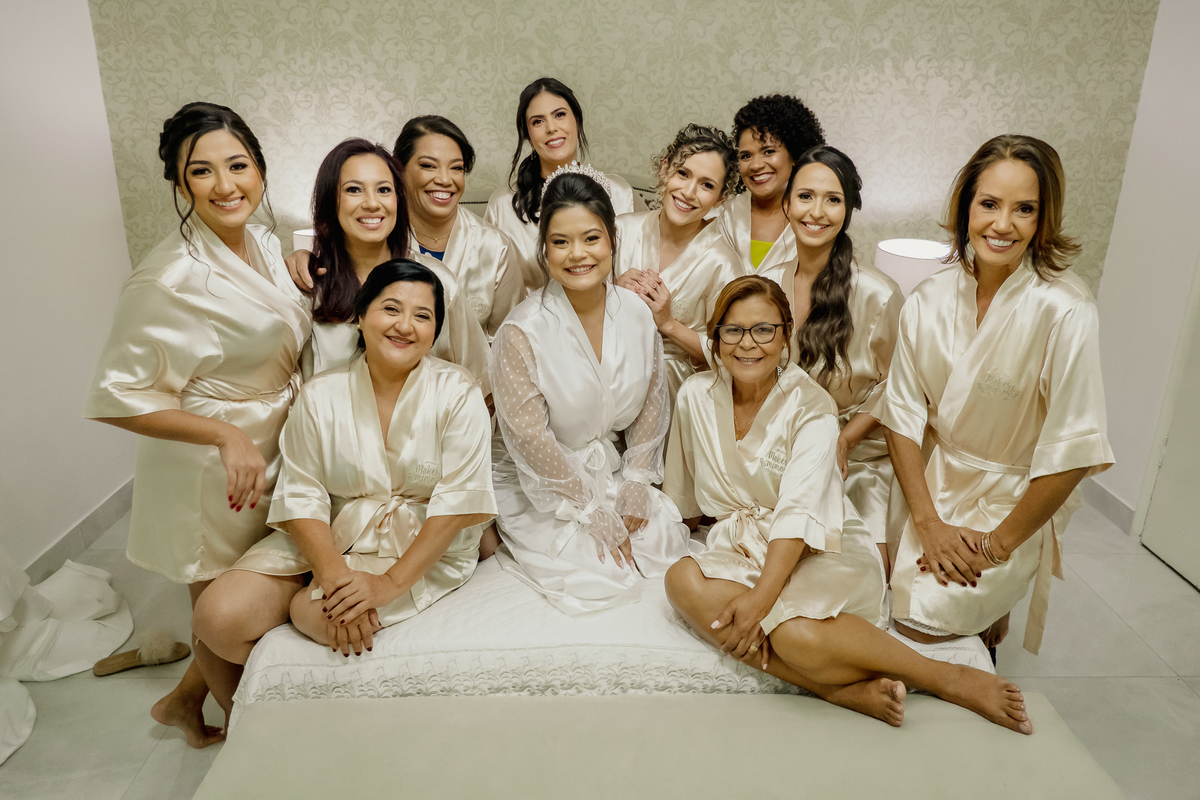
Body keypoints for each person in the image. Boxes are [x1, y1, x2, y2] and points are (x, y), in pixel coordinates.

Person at [664, 276, 1033, 733]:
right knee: (680, 580)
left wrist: (760, 600)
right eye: (733, 330)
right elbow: (683, 499)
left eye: (763, 330)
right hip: (740, 546)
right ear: (716, 336)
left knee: (796, 631)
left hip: (817, 545)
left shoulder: (811, 406)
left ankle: (946, 676)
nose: (747, 344)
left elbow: (800, 512)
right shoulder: (694, 396)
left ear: (785, 335)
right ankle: (834, 690)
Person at [84, 102, 311, 747]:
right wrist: (225, 436)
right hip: (208, 465)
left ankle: (183, 701)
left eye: (238, 165)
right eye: (202, 171)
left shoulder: (262, 243)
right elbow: (114, 397)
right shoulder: (168, 277)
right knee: (216, 609)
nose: (225, 185)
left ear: (260, 170)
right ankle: (246, 740)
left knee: (251, 589)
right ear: (180, 185)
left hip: (269, 443)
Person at [193, 260, 495, 699]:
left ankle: (301, 611)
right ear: (360, 316)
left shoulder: (457, 393)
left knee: (317, 613)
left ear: (434, 332)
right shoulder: (320, 395)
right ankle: (299, 610)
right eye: (391, 309)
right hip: (330, 532)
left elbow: (456, 506)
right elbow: (302, 495)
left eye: (423, 315)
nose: (405, 325)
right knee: (217, 617)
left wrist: (386, 585)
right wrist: (333, 575)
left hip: (418, 544)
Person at [873, 134, 1114, 655]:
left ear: (1043, 219)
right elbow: (901, 416)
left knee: (922, 628)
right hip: (927, 486)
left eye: (1024, 209)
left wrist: (995, 547)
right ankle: (980, 615)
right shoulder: (929, 297)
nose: (1003, 224)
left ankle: (990, 613)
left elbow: (1074, 451)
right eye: (989, 204)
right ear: (966, 207)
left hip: (1007, 501)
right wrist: (927, 522)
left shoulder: (1066, 310)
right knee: (883, 602)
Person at [490, 167, 691, 614]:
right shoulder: (522, 331)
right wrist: (588, 508)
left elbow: (652, 403)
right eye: (561, 242)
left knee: (661, 545)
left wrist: (637, 480)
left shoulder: (637, 313)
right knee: (599, 576)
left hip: (610, 470)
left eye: (591, 238)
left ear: (613, 240)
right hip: (544, 481)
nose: (577, 254)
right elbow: (530, 438)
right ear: (544, 249)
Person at [762, 146, 903, 572]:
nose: (816, 212)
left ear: (847, 210)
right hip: (785, 451)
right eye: (805, 196)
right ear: (786, 204)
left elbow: (898, 386)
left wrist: (843, 440)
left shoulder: (878, 295)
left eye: (833, 199)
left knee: (862, 572)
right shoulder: (766, 283)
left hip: (857, 461)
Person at [284, 138, 490, 393]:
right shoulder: (306, 286)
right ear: (330, 202)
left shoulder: (436, 279)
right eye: (354, 190)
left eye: (383, 190)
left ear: (398, 199)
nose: (372, 203)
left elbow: (478, 381)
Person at [614, 124, 745, 401]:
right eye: (683, 174)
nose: (688, 191)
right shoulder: (621, 230)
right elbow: (575, 309)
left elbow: (731, 354)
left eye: (707, 185)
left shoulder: (723, 264)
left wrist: (668, 323)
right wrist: (610, 291)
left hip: (675, 393)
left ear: (720, 198)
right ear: (665, 169)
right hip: (607, 372)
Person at [485, 77, 646, 292]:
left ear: (577, 120)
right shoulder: (503, 205)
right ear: (527, 136)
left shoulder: (621, 193)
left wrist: (616, 290)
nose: (551, 128)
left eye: (559, 115)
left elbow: (649, 261)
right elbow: (494, 288)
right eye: (537, 121)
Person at [391, 115, 523, 338]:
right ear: (399, 170)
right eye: (428, 166)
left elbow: (507, 340)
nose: (445, 180)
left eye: (456, 168)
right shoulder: (381, 239)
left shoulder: (494, 246)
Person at [717, 94, 824, 273]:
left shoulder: (816, 217)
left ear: (795, 155)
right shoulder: (723, 215)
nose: (756, 165)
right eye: (746, 156)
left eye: (768, 151)